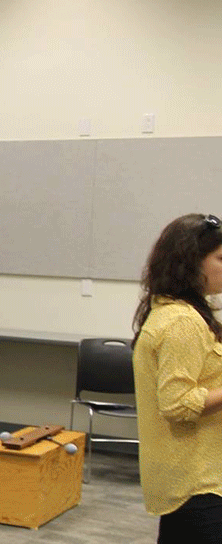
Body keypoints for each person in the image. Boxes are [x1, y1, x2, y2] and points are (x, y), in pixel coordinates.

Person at [132, 213, 222, 544]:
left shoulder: (183, 313)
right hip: (196, 482)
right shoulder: (182, 323)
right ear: (190, 263)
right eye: (221, 258)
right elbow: (178, 404)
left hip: (192, 477)